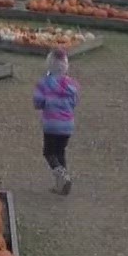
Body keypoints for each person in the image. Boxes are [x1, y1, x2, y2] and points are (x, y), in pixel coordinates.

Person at [32, 48, 79, 194]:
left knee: (49, 153)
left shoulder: (44, 84)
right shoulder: (72, 85)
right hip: (67, 125)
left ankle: (62, 176)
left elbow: (37, 102)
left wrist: (46, 103)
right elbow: (75, 102)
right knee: (60, 152)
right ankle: (62, 184)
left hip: (51, 125)